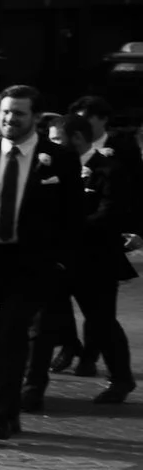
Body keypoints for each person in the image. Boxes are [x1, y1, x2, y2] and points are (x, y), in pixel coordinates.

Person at [0, 85, 84, 438]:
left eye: (18, 113)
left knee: (13, 335)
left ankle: (2, 415)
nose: (9, 119)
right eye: (4, 112)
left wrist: (62, 263)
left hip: (31, 263)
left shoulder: (58, 159)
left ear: (35, 117)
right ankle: (9, 410)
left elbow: (73, 214)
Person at [58, 111, 137, 402]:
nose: (52, 146)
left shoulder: (109, 170)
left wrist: (66, 228)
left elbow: (110, 214)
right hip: (59, 259)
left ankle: (121, 378)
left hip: (96, 261)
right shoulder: (53, 169)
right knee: (46, 316)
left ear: (76, 139)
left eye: (57, 140)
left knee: (102, 321)